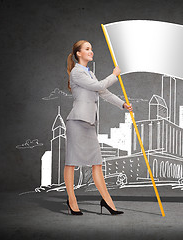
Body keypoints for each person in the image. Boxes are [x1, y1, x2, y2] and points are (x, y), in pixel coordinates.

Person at [64, 40, 133, 215]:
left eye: (91, 49)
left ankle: (108, 202)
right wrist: (114, 75)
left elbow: (105, 93)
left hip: (89, 124)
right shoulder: (77, 72)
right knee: (71, 163)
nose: (91, 51)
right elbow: (99, 86)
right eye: (87, 49)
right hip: (77, 122)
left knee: (97, 163)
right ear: (78, 53)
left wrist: (122, 104)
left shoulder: (90, 73)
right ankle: (72, 201)